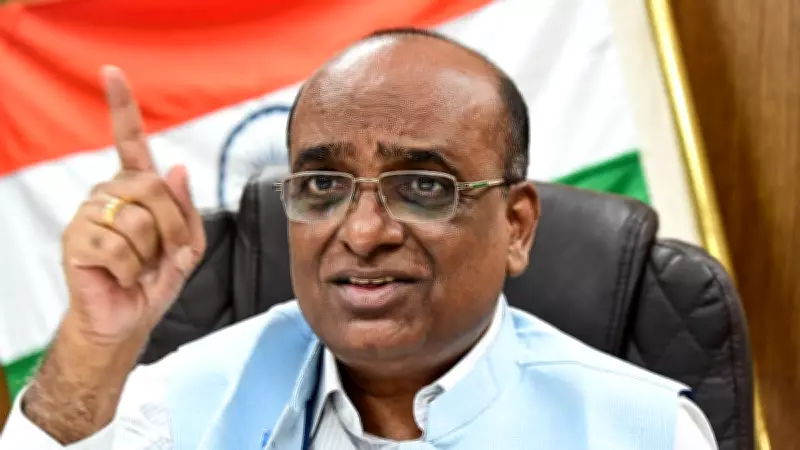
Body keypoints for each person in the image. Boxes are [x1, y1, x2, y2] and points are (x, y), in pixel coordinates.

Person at [0, 29, 718, 449]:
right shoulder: (181, 406)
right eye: (322, 184)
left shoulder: (644, 433)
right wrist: (94, 344)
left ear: (516, 226)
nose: (365, 232)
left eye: (423, 186)